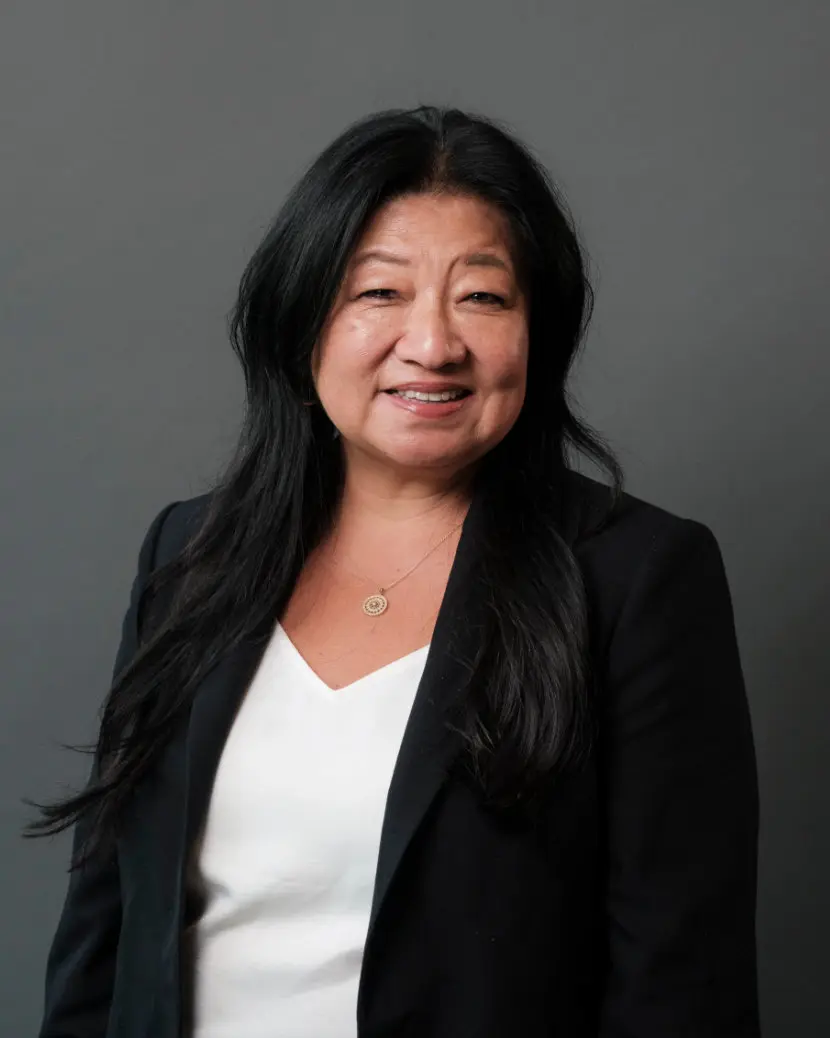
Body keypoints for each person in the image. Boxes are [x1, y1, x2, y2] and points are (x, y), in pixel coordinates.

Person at [27, 104, 761, 1037]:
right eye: (379, 293)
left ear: (538, 333)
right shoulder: (190, 552)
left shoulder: (636, 578)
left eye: (483, 297)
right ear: (304, 323)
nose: (433, 344)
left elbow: (682, 982)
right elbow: (102, 929)